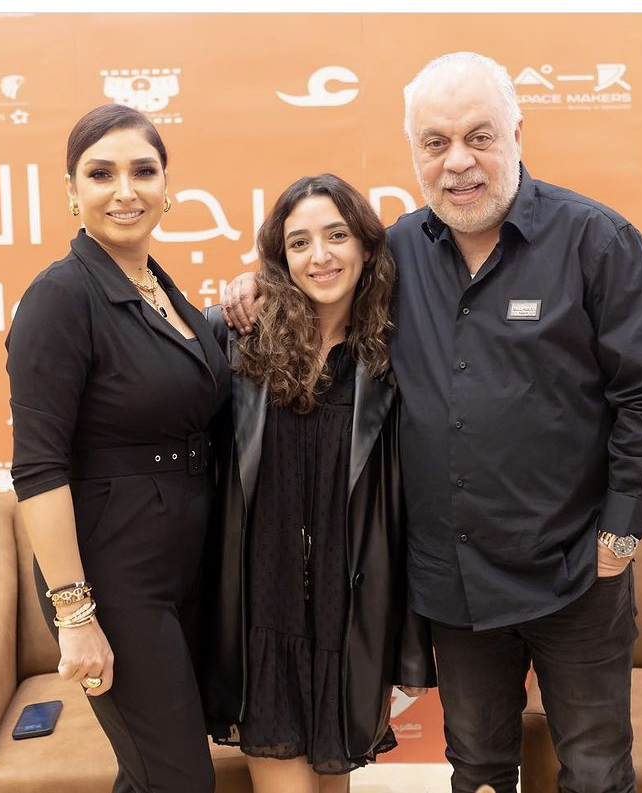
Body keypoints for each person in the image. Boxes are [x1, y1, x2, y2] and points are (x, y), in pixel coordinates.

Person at [221, 52, 642, 793]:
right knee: (476, 768)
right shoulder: (399, 252)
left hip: (577, 572)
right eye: (435, 143)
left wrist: (620, 534)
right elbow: (323, 273)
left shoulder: (594, 240)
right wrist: (258, 282)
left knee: (596, 770)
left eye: (479, 136)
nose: (458, 162)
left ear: (516, 133)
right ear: (415, 153)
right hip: (457, 584)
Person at [6, 103, 230, 793]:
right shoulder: (60, 296)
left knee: (151, 772)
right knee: (179, 779)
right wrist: (76, 615)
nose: (125, 190)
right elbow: (38, 468)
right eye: (101, 173)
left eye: (143, 171)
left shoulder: (162, 289)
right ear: (72, 191)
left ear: (167, 186)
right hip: (116, 575)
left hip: (190, 562)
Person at [202, 174, 436, 793]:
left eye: (336, 235)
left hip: (347, 616)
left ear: (366, 246)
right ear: (280, 257)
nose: (320, 256)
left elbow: (409, 512)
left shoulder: (393, 358)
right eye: (299, 242)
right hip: (261, 614)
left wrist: (410, 645)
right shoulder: (238, 339)